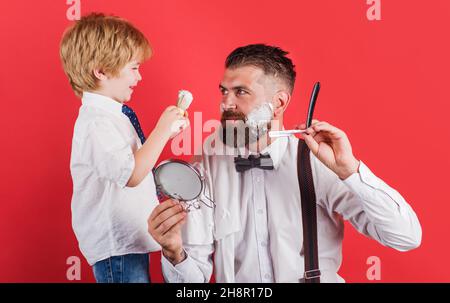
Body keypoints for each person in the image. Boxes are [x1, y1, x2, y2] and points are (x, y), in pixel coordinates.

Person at [148, 44, 422, 283]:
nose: (225, 103)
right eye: (223, 91)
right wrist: (174, 252)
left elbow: (405, 237)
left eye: (240, 92)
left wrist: (350, 171)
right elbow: (191, 281)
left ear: (278, 103)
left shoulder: (316, 160)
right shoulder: (209, 161)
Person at [60, 13, 189, 283]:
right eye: (134, 67)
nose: (139, 77)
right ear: (102, 71)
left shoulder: (115, 117)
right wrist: (161, 130)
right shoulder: (96, 122)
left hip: (129, 244)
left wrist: (168, 130)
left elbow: (138, 162)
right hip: (116, 249)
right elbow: (131, 173)